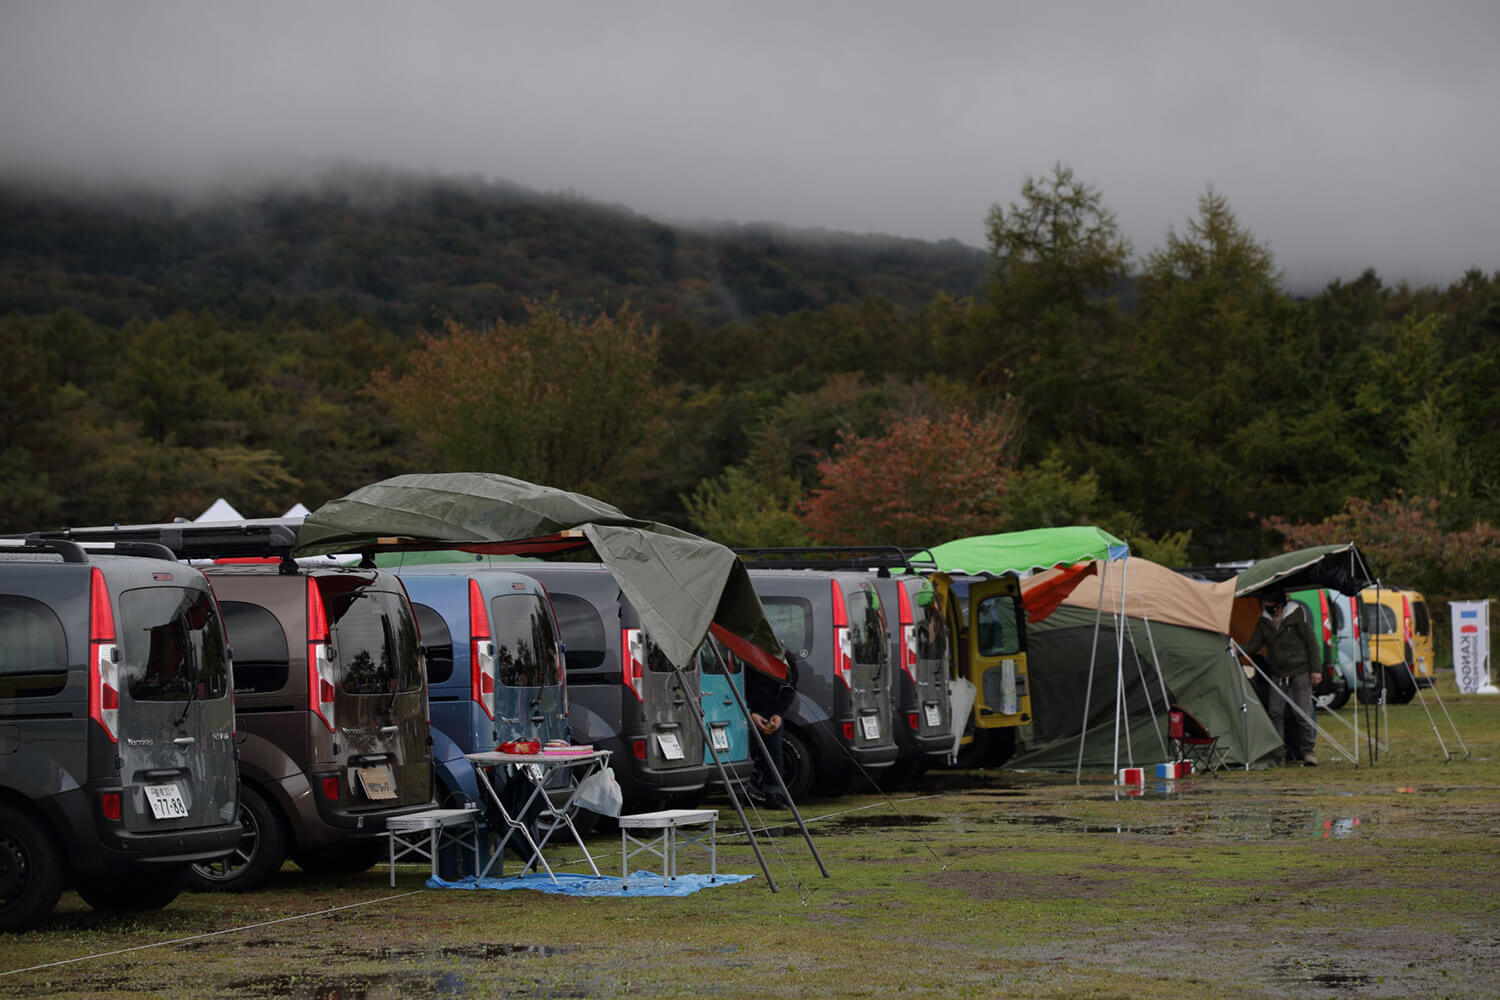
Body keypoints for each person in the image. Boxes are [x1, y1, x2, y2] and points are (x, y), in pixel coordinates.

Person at [1247, 589, 1323, 765]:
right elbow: (1254, 643)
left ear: (1281, 606)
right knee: (1275, 713)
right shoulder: (1264, 621)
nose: (1268, 608)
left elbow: (1312, 644)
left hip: (1301, 670)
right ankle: (1279, 753)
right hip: (1278, 672)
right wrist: (1236, 647)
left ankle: (1308, 752)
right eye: (1266, 605)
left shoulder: (1297, 616)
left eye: (1271, 606)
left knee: (1302, 714)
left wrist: (1316, 670)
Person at [744, 651, 799, 808]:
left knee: (774, 751)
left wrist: (779, 714)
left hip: (772, 711)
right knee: (741, 750)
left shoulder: (785, 655)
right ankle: (739, 793)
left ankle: (773, 794)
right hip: (745, 708)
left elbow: (790, 686)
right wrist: (750, 713)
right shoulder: (743, 651)